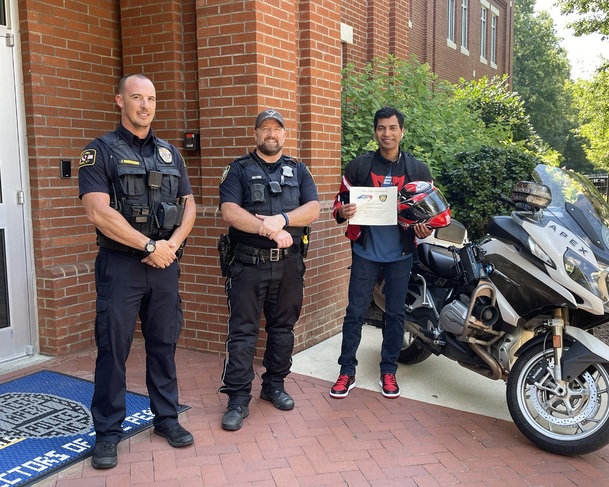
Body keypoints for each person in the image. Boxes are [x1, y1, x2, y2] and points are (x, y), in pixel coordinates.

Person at [78, 74, 197, 469]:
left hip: (165, 264)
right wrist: (149, 246)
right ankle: (107, 433)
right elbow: (97, 211)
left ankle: (166, 418)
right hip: (122, 267)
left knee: (164, 343)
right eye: (137, 98)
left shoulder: (170, 154)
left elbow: (189, 204)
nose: (145, 106)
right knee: (113, 350)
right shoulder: (100, 151)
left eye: (151, 99)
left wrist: (170, 246)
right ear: (120, 101)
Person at [218, 109, 320, 431]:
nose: (271, 134)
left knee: (282, 330)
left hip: (289, 265)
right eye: (265, 128)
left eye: (277, 129)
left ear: (284, 135)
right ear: (256, 134)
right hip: (249, 264)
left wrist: (283, 220)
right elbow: (230, 212)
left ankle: (274, 385)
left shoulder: (299, 170)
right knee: (243, 332)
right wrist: (272, 231)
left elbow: (314, 208)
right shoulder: (238, 169)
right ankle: (237, 398)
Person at [330, 106, 434, 399]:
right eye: (381, 128)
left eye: (392, 128)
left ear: (402, 131)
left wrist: (424, 229)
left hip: (400, 254)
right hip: (365, 251)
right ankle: (346, 370)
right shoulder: (359, 167)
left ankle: (388, 369)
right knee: (355, 312)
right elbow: (338, 203)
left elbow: (430, 213)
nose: (387, 133)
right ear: (375, 132)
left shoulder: (418, 170)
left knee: (396, 313)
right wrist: (343, 211)